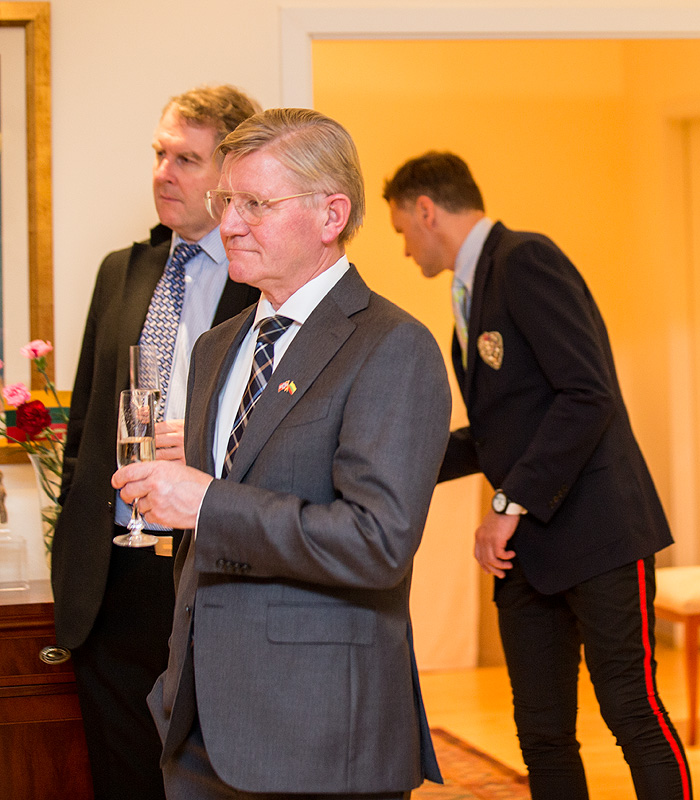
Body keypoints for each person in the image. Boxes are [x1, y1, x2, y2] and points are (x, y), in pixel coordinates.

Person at [113, 108, 449, 799]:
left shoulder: (392, 345)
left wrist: (206, 501)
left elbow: (378, 542)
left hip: (319, 734)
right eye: (226, 202)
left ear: (331, 216)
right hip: (197, 727)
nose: (229, 225)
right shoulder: (218, 346)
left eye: (255, 205)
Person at [384, 151, 692, 800]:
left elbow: (587, 394)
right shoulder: (468, 293)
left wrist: (507, 503)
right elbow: (502, 430)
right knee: (542, 732)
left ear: (426, 210)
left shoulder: (524, 259)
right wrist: (391, 462)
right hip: (527, 552)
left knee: (632, 714)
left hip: (600, 533)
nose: (405, 247)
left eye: (401, 229)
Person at [51, 84, 260, 800]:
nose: (163, 173)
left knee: (210, 782)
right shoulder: (124, 270)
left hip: (208, 568)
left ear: (229, 175)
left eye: (186, 159)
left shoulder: (263, 283)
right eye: (160, 154)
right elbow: (85, 421)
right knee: (122, 777)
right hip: (112, 578)